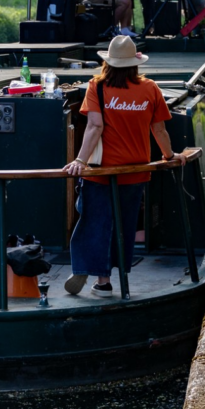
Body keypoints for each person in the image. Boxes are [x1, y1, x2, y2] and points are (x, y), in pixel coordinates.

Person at [62, 36, 185, 297]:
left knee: (94, 221)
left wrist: (79, 160)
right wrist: (169, 154)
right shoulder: (150, 88)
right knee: (124, 224)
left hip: (101, 170)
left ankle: (100, 278)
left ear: (108, 62)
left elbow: (95, 127)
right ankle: (122, 279)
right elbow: (159, 128)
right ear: (134, 64)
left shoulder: (97, 86)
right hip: (135, 171)